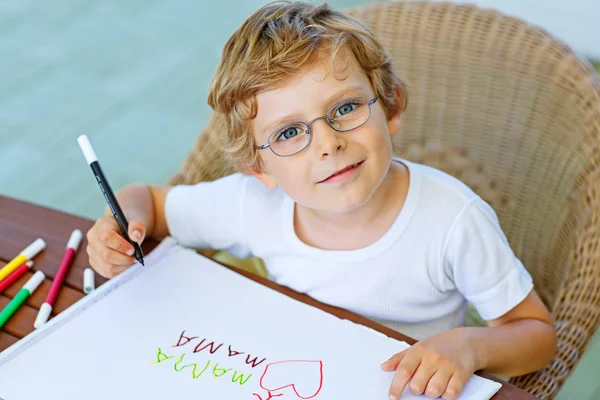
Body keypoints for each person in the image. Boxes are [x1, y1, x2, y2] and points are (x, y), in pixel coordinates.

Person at [85, 2, 556, 399]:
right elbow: (147, 199)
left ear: (390, 107)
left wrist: (470, 347)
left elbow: (537, 337)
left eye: (345, 108)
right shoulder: (252, 205)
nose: (326, 143)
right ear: (259, 169)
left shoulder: (454, 220)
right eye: (289, 132)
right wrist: (120, 225)